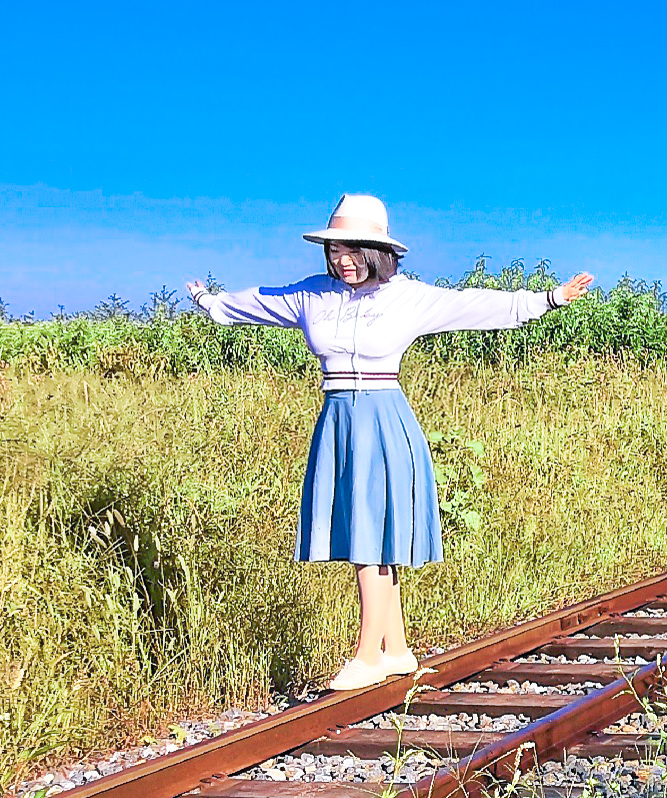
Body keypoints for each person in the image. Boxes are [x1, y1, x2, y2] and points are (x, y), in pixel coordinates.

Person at [187, 194, 593, 691]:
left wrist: (547, 299)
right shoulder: (312, 295)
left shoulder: (407, 296)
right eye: (336, 251)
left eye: (354, 251)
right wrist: (208, 301)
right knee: (368, 531)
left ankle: (367, 653)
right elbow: (259, 301)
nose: (343, 260)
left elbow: (471, 304)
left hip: (383, 418)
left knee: (370, 537)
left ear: (378, 252)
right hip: (337, 418)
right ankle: (396, 649)